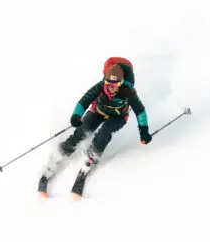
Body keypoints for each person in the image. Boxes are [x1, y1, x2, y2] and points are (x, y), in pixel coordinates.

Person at [38, 57, 151, 196]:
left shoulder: (128, 91)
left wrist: (144, 130)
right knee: (82, 132)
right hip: (98, 111)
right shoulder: (100, 86)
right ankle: (59, 155)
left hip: (118, 116)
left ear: (121, 83)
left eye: (114, 85)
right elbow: (84, 101)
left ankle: (90, 159)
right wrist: (76, 116)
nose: (110, 88)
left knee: (105, 132)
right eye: (108, 84)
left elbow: (140, 111)